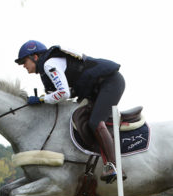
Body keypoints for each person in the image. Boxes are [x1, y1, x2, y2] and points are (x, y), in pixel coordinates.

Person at [15, 40, 126, 183]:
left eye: (24, 61)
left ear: (35, 57)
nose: (23, 66)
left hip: (110, 83)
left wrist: (41, 100)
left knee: (95, 121)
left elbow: (64, 93)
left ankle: (114, 165)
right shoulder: (46, 69)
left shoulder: (49, 65)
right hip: (96, 89)